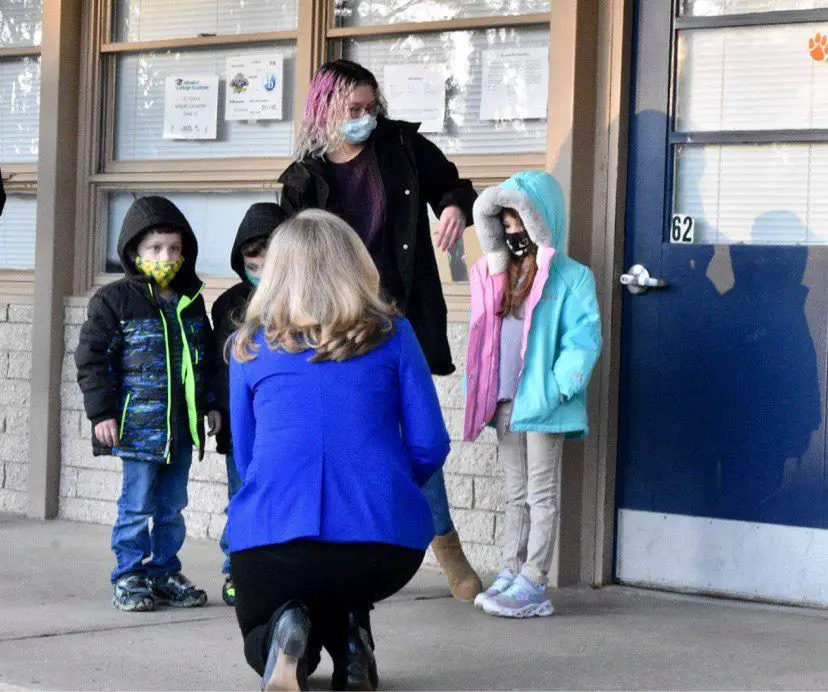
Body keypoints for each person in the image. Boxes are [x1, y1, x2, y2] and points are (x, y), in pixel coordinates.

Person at [279, 58, 481, 602]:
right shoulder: (303, 178)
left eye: (371, 107)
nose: (365, 118)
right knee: (355, 431)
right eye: (354, 109)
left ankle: (447, 545)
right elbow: (292, 257)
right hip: (334, 321)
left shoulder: (400, 149)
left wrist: (454, 209)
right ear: (325, 110)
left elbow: (455, 184)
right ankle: (353, 543)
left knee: (414, 426)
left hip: (399, 313)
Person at [228, 209, 450, 691]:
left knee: (264, 619)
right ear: (356, 264)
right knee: (340, 578)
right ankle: (351, 644)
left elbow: (245, 461)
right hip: (382, 547)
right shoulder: (394, 334)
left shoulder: (247, 346)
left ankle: (288, 639)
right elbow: (431, 443)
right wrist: (386, 485)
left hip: (274, 539)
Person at [464, 172, 602, 618]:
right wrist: (479, 389)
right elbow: (482, 336)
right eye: (503, 224)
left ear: (540, 222)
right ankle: (511, 569)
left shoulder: (572, 278)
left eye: (519, 222)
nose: (512, 232)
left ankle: (534, 580)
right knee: (514, 491)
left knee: (541, 493)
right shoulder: (494, 275)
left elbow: (583, 338)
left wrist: (560, 388)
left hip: (543, 403)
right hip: (506, 401)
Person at [75, 196, 222, 612]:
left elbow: (205, 360)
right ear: (134, 252)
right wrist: (101, 413)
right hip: (137, 428)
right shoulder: (114, 301)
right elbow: (92, 359)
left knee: (172, 507)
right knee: (137, 506)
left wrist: (211, 403)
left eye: (174, 248)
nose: (166, 256)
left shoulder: (191, 302)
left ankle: (164, 572)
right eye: (155, 248)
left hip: (180, 428)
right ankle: (129, 574)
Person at [211, 201, 287, 607]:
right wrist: (216, 409)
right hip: (240, 426)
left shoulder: (299, 303)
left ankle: (274, 569)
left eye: (268, 266)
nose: (259, 275)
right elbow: (217, 367)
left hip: (282, 426)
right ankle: (235, 571)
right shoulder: (227, 305)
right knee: (241, 495)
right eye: (252, 266)